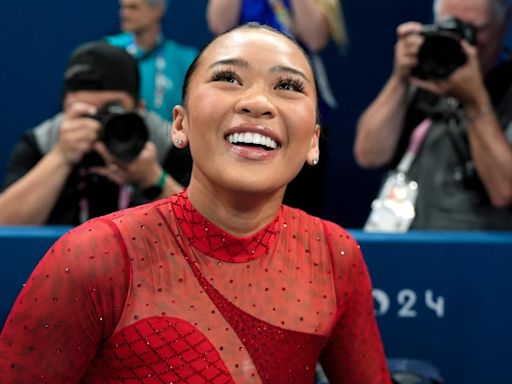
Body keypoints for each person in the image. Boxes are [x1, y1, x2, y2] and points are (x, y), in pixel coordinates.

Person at [0, 23, 392, 383]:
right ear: (180, 124)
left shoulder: (334, 255)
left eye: (288, 86)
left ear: (313, 141)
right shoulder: (93, 256)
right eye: (227, 78)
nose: (257, 102)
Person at [354, 0, 512, 230]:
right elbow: (368, 154)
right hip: (406, 242)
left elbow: (504, 190)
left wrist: (474, 101)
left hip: (475, 250)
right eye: (451, 26)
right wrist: (400, 79)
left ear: (504, 24)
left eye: (475, 29)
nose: (463, 41)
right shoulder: (427, 73)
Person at [0, 41, 184, 226]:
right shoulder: (43, 142)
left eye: (112, 109)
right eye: (85, 112)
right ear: (65, 109)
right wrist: (61, 156)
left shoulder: (169, 142)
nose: (99, 123)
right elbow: (5, 230)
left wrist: (154, 179)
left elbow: (205, 231)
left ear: (140, 108)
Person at [207, 0, 348, 217]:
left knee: (299, 209)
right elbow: (219, 25)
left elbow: (315, 38)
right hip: (242, 101)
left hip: (294, 105)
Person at [106, 0, 198, 121]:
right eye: (123, 7)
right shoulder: (109, 51)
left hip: (170, 136)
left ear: (157, 10)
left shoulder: (186, 59)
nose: (124, 14)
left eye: (133, 8)